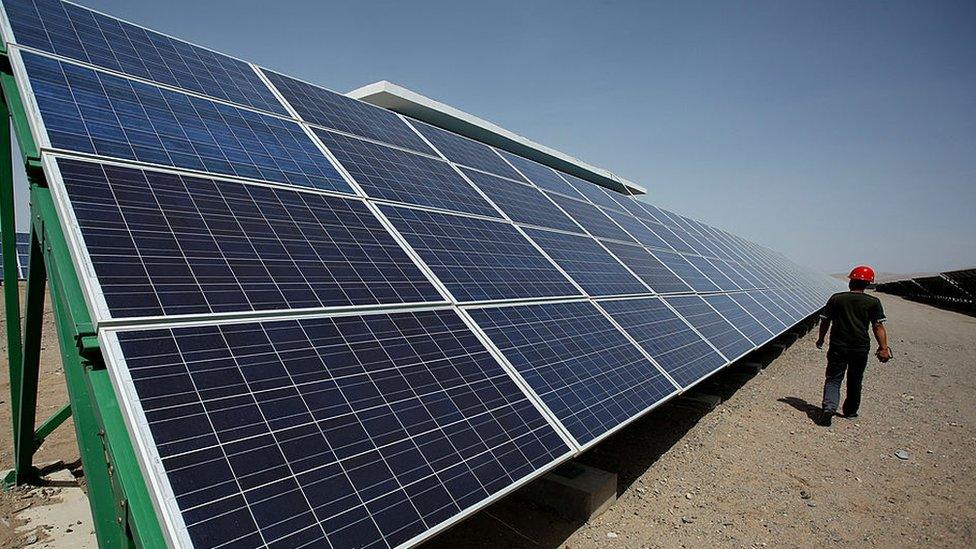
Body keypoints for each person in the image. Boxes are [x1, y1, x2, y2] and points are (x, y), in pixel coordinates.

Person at [814, 265, 891, 426]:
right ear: (868, 284)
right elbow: (878, 326)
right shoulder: (873, 302)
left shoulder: (837, 298)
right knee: (855, 379)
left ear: (851, 282)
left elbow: (825, 320)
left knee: (833, 378)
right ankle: (850, 411)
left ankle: (829, 408)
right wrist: (884, 348)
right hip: (860, 348)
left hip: (838, 346)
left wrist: (821, 338)